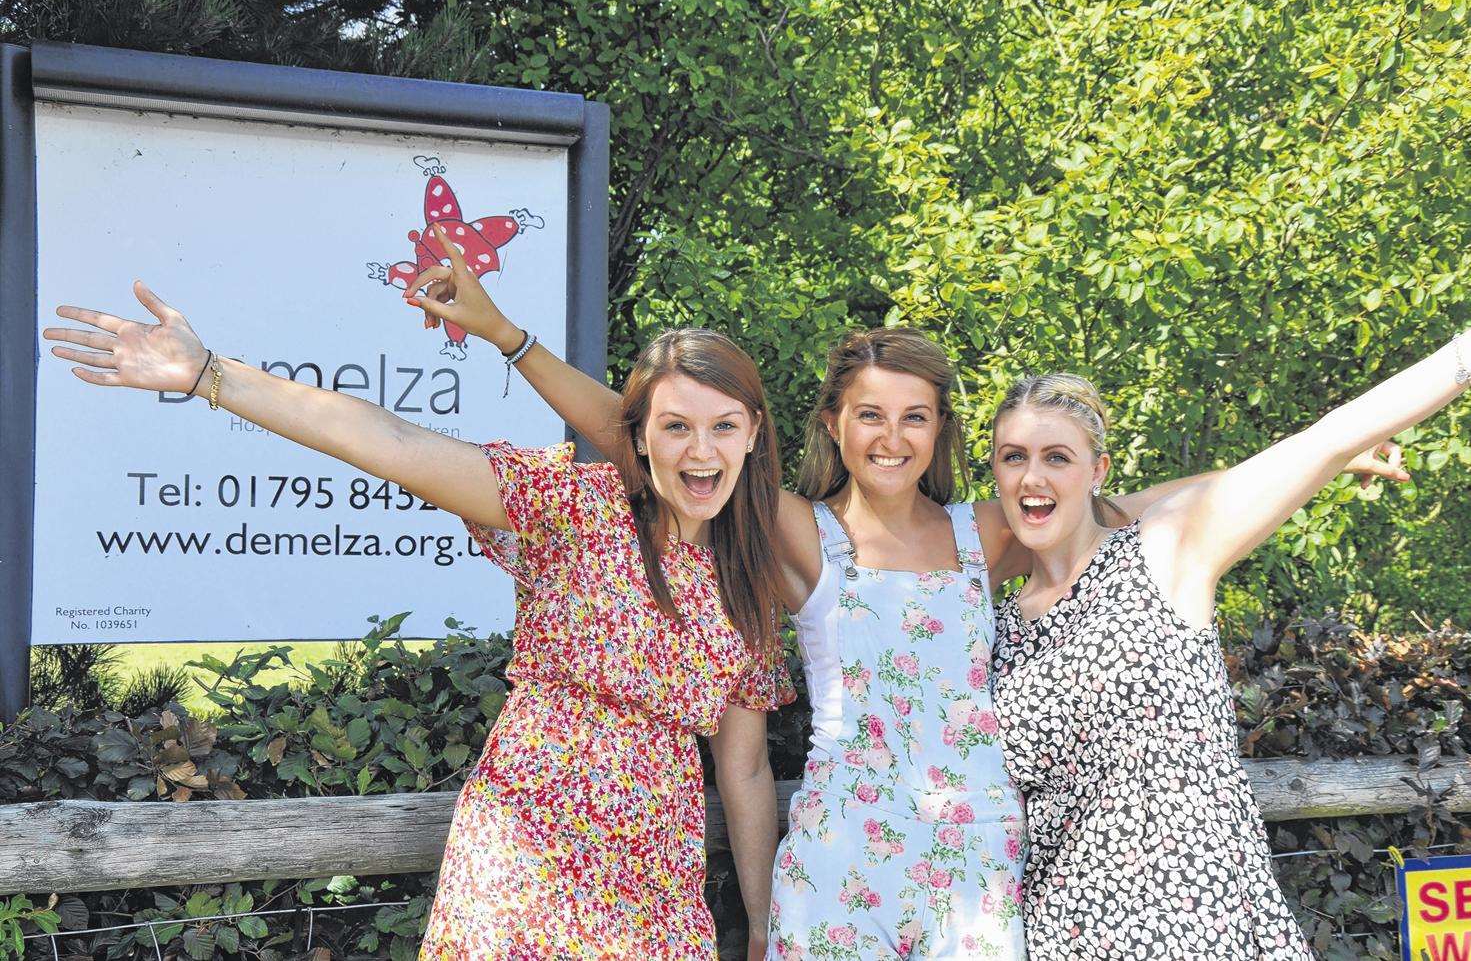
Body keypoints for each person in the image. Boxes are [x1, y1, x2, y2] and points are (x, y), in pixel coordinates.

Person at [391, 253, 1398, 957]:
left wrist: (1330, 453)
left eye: (914, 417)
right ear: (835, 422)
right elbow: (638, 437)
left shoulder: (986, 532)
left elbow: (1154, 506)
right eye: (870, 414)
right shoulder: (794, 527)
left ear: (938, 429)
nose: (891, 435)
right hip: (843, 846)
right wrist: (508, 336)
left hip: (973, 850)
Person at [42, 232, 795, 959]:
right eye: (675, 428)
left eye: (722, 427)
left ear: (754, 434)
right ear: (638, 438)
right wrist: (210, 373)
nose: (700, 450)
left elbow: (747, 768)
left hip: (653, 886)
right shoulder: (575, 508)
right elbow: (392, 443)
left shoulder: (749, 582)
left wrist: (760, 922)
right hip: (525, 862)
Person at [986, 349, 1458, 958]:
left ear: (1097, 469)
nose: (1032, 478)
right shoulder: (994, 631)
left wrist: (1462, 358)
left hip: (1200, 924)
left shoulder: (1163, 552)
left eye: (1057, 457)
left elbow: (1330, 435)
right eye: (1013, 457)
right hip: (1063, 938)